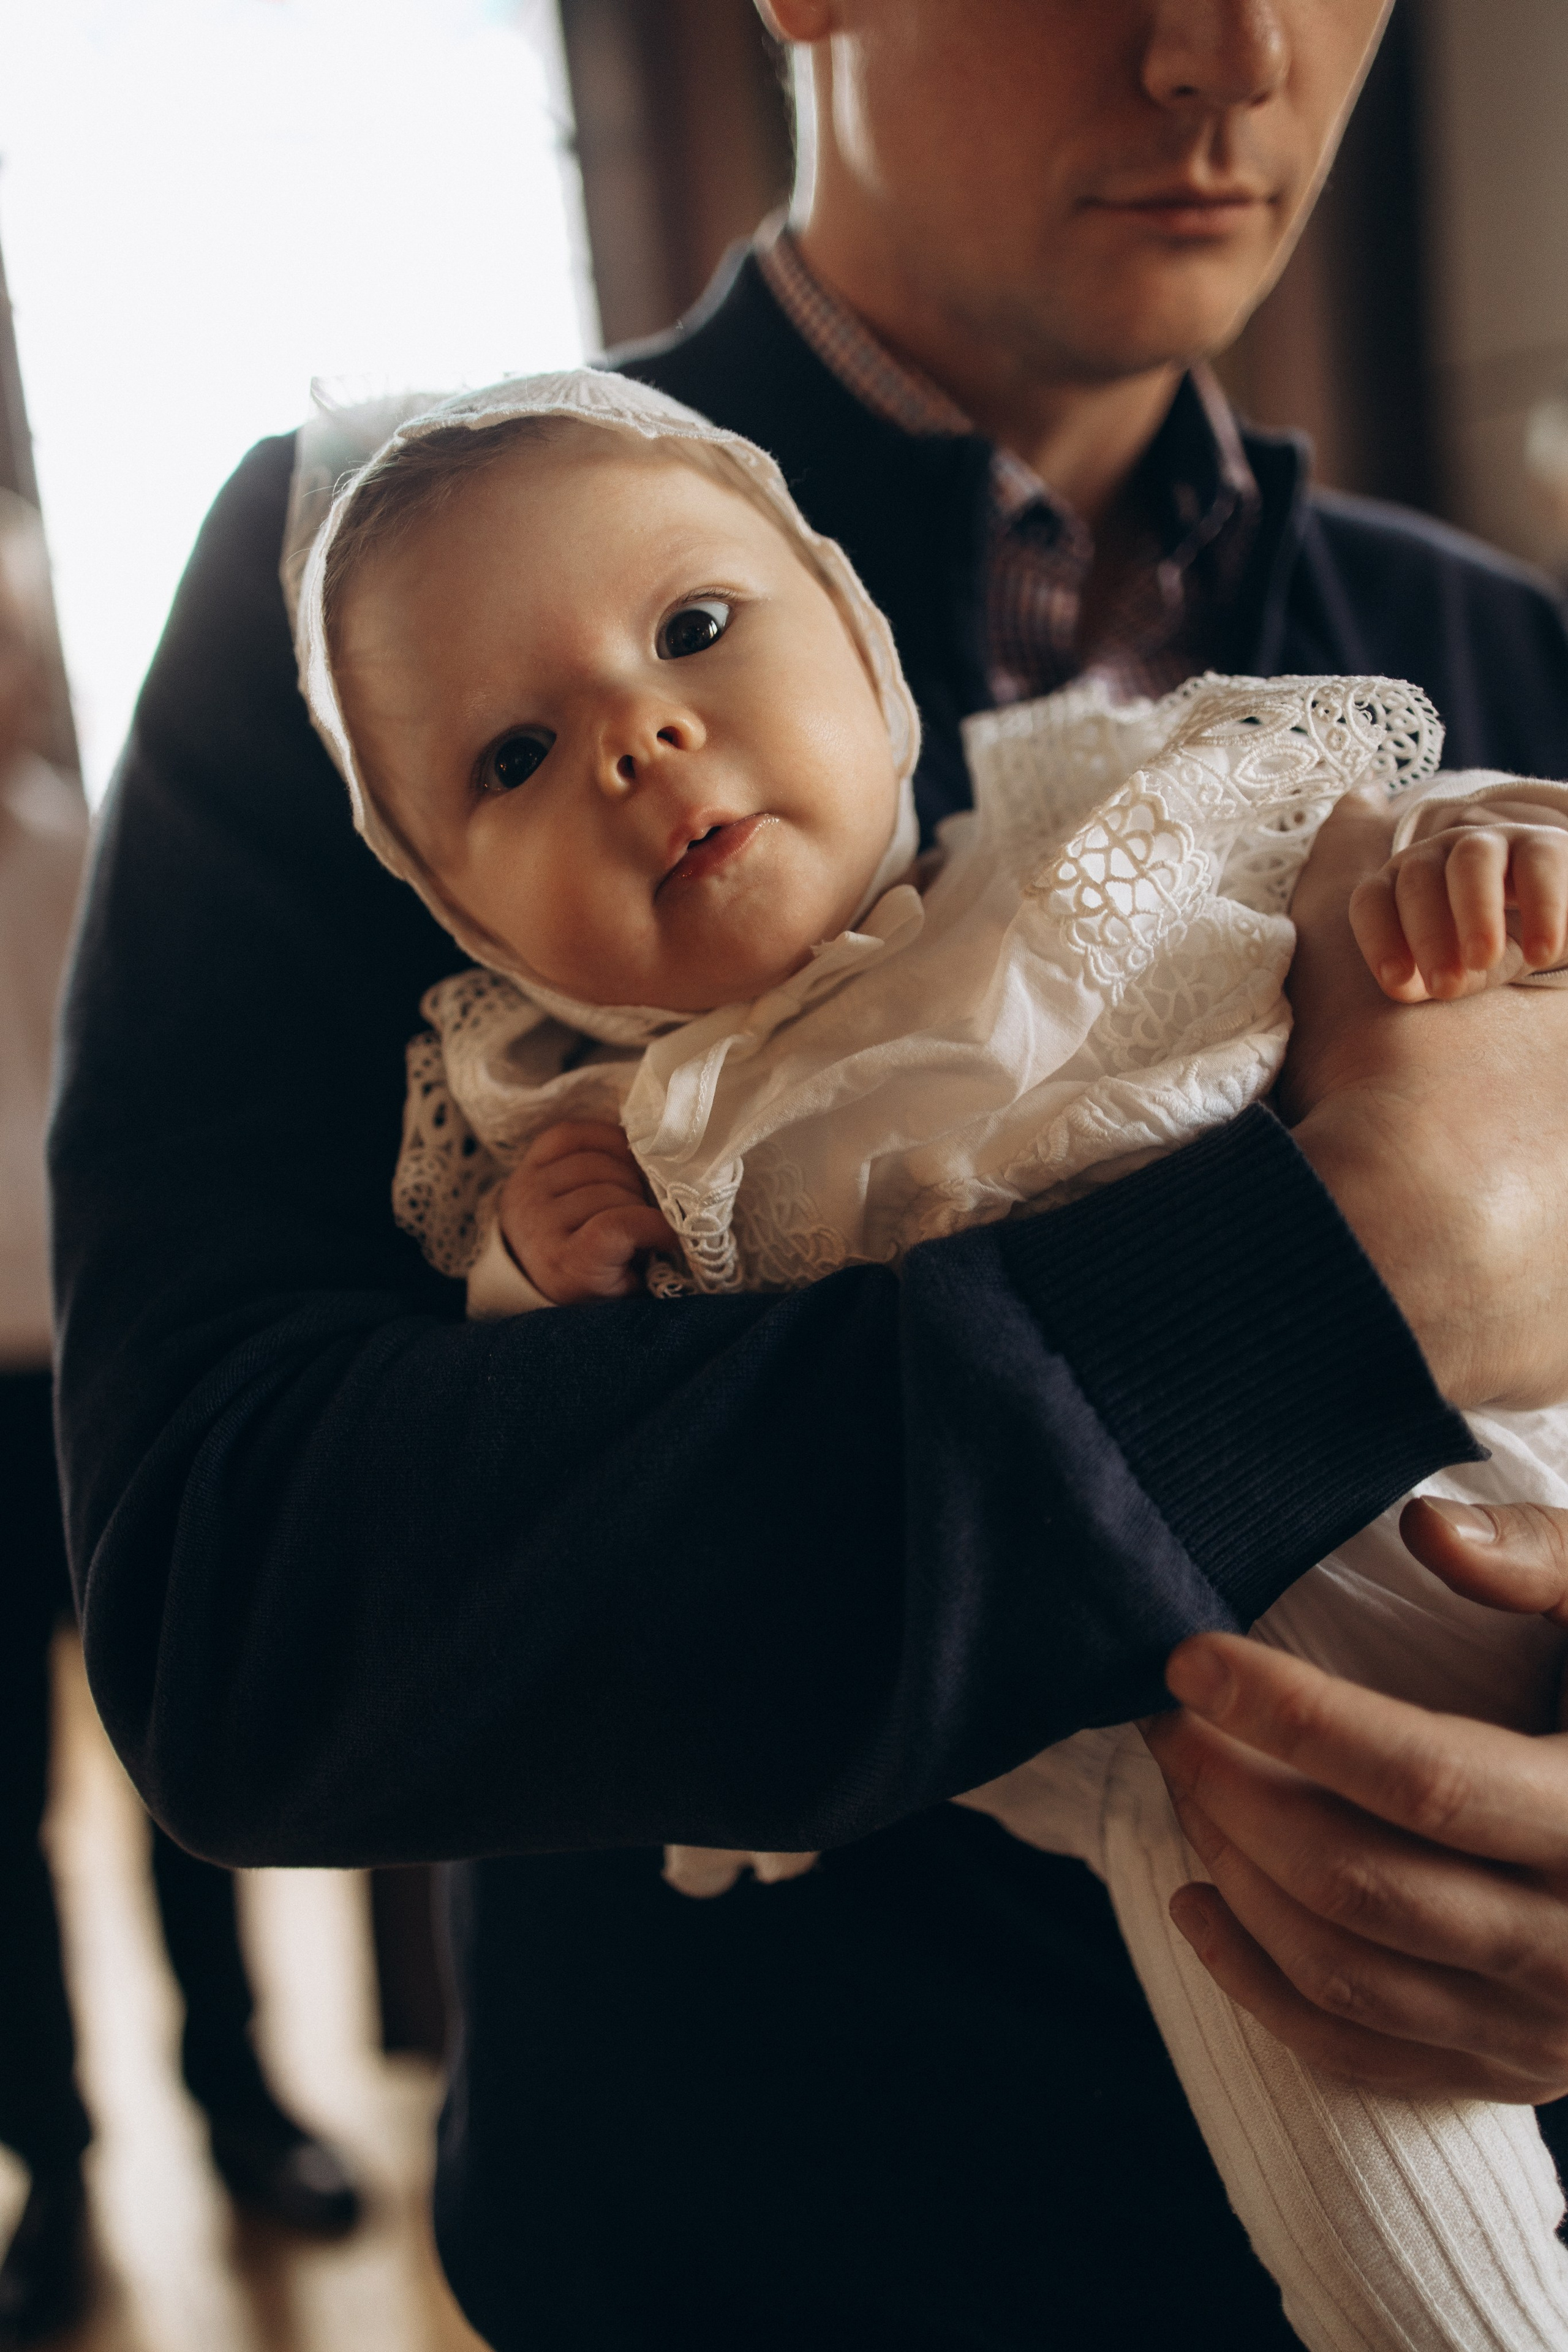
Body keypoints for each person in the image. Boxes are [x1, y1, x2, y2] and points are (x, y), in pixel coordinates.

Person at [46, 3, 1568, 2345]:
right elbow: (245, 1616)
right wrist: (1320, 1284)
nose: (1230, 53)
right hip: (775, 2262)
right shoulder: (395, 599)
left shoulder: (1482, 650)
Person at [0, 494, 358, 2348]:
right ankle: (48, 2170)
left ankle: (244, 2108)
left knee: (184, 1767)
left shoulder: (91, 859)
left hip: (102, 1374)